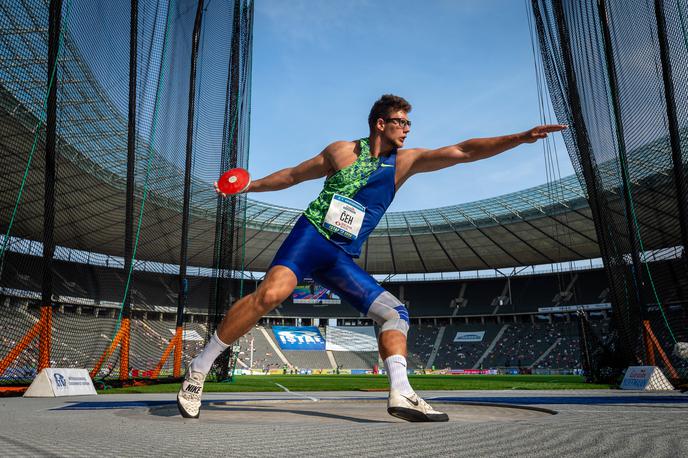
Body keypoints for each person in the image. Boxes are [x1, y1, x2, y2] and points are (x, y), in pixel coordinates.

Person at [177, 94, 566, 421]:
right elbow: (294, 175)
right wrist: (249, 186)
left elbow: (464, 151)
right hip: (312, 235)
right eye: (400, 122)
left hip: (339, 256)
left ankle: (401, 393)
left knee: (394, 313)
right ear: (380, 123)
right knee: (272, 294)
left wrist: (520, 137)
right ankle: (199, 370)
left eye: (409, 124)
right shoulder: (341, 151)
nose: (407, 129)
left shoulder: (404, 162)